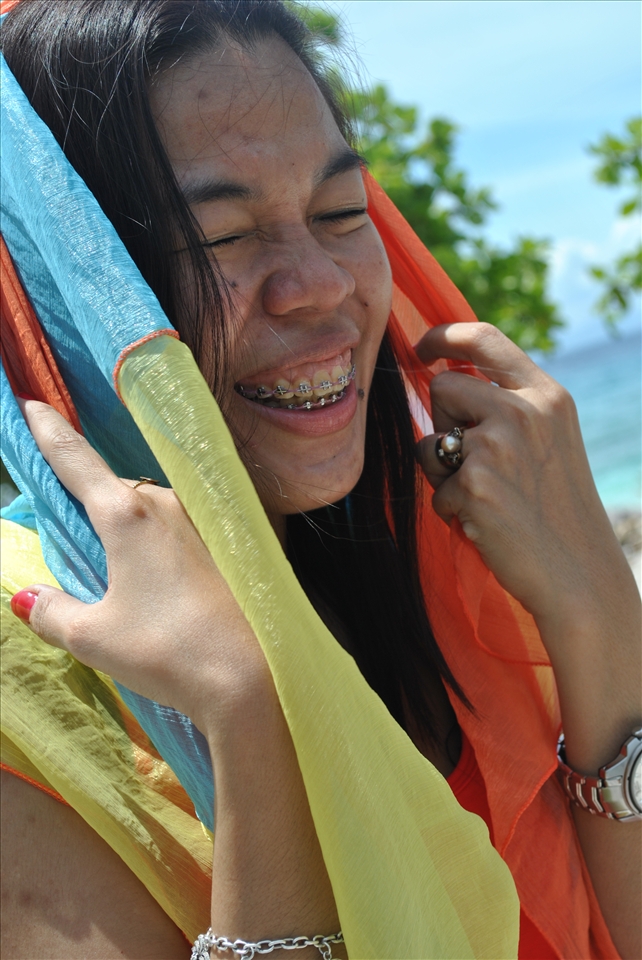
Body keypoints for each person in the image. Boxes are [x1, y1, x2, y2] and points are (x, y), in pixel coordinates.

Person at [0, 1, 640, 958]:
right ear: (77, 296)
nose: (321, 283)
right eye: (220, 236)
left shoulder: (424, 556)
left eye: (341, 212)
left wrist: (595, 601)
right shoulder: (31, 693)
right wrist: (249, 723)